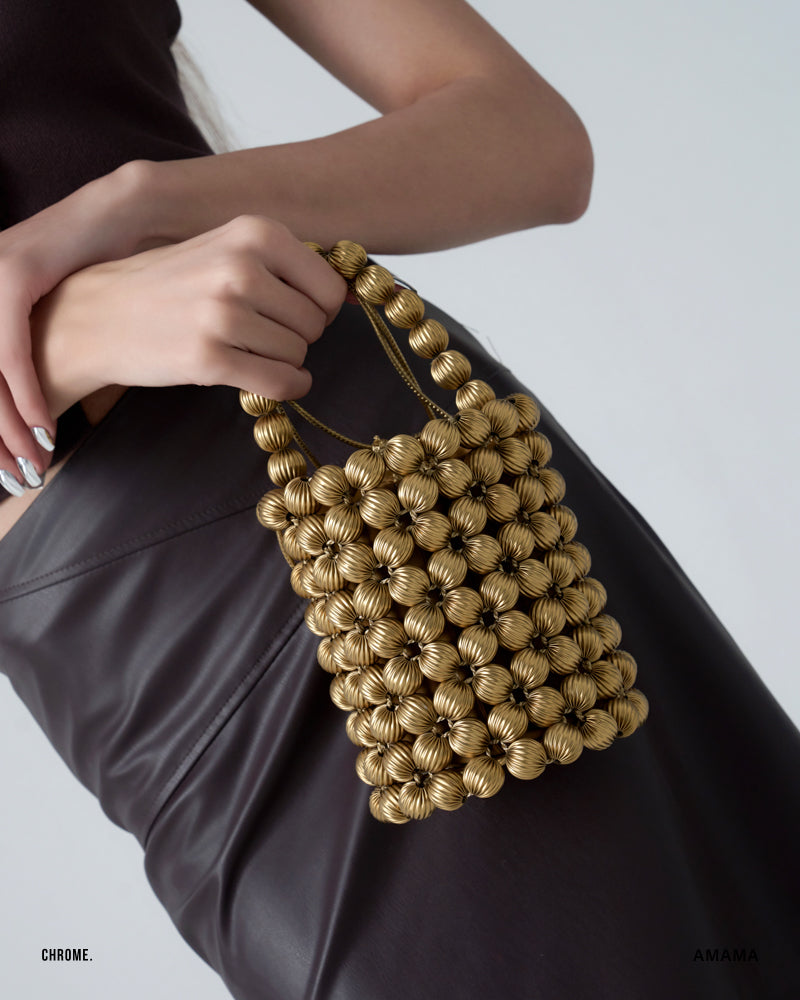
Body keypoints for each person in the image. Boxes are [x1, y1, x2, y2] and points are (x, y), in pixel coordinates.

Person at [0, 2, 798, 999]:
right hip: (135, 616)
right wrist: (64, 335)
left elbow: (526, 140)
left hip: (442, 507)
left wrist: (142, 202)